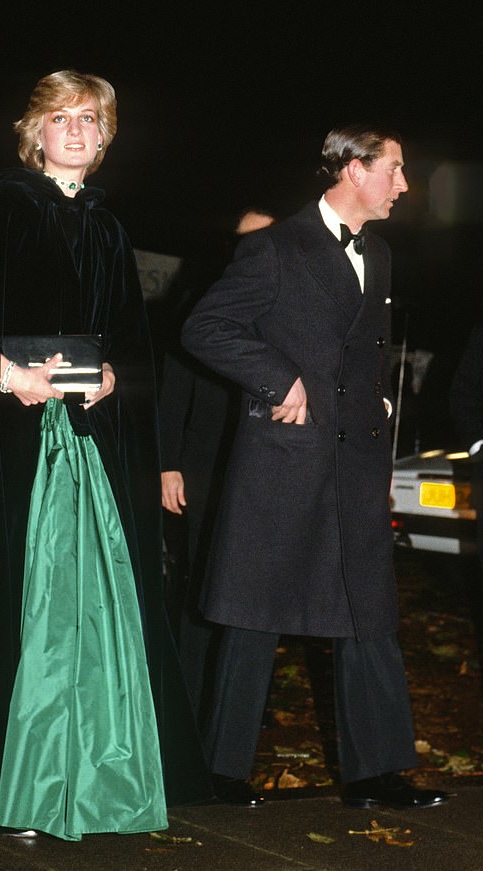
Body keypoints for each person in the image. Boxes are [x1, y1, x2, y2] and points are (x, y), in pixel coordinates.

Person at [0, 69, 210, 841]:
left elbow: (132, 346)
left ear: (104, 139)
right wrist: (5, 375)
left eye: (90, 119)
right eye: (59, 117)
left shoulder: (106, 228)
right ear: (35, 133)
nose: (75, 129)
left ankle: (87, 786)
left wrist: (119, 379)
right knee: (13, 616)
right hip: (1, 455)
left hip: (85, 454)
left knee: (88, 614)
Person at [181, 124, 450, 810]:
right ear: (352, 169)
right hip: (282, 460)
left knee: (368, 612)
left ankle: (377, 773)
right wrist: (279, 380)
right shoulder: (274, 247)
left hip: (355, 463)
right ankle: (219, 772)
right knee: (253, 614)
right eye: (393, 168)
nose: (403, 184)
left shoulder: (380, 255)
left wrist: (379, 407)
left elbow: (359, 355)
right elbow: (204, 327)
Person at [159, 207, 275, 720]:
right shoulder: (203, 301)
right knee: (201, 582)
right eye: (241, 242)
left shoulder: (287, 302)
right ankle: (182, 705)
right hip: (204, 464)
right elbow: (172, 390)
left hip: (267, 465)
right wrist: (168, 463)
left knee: (253, 590)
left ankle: (230, 716)